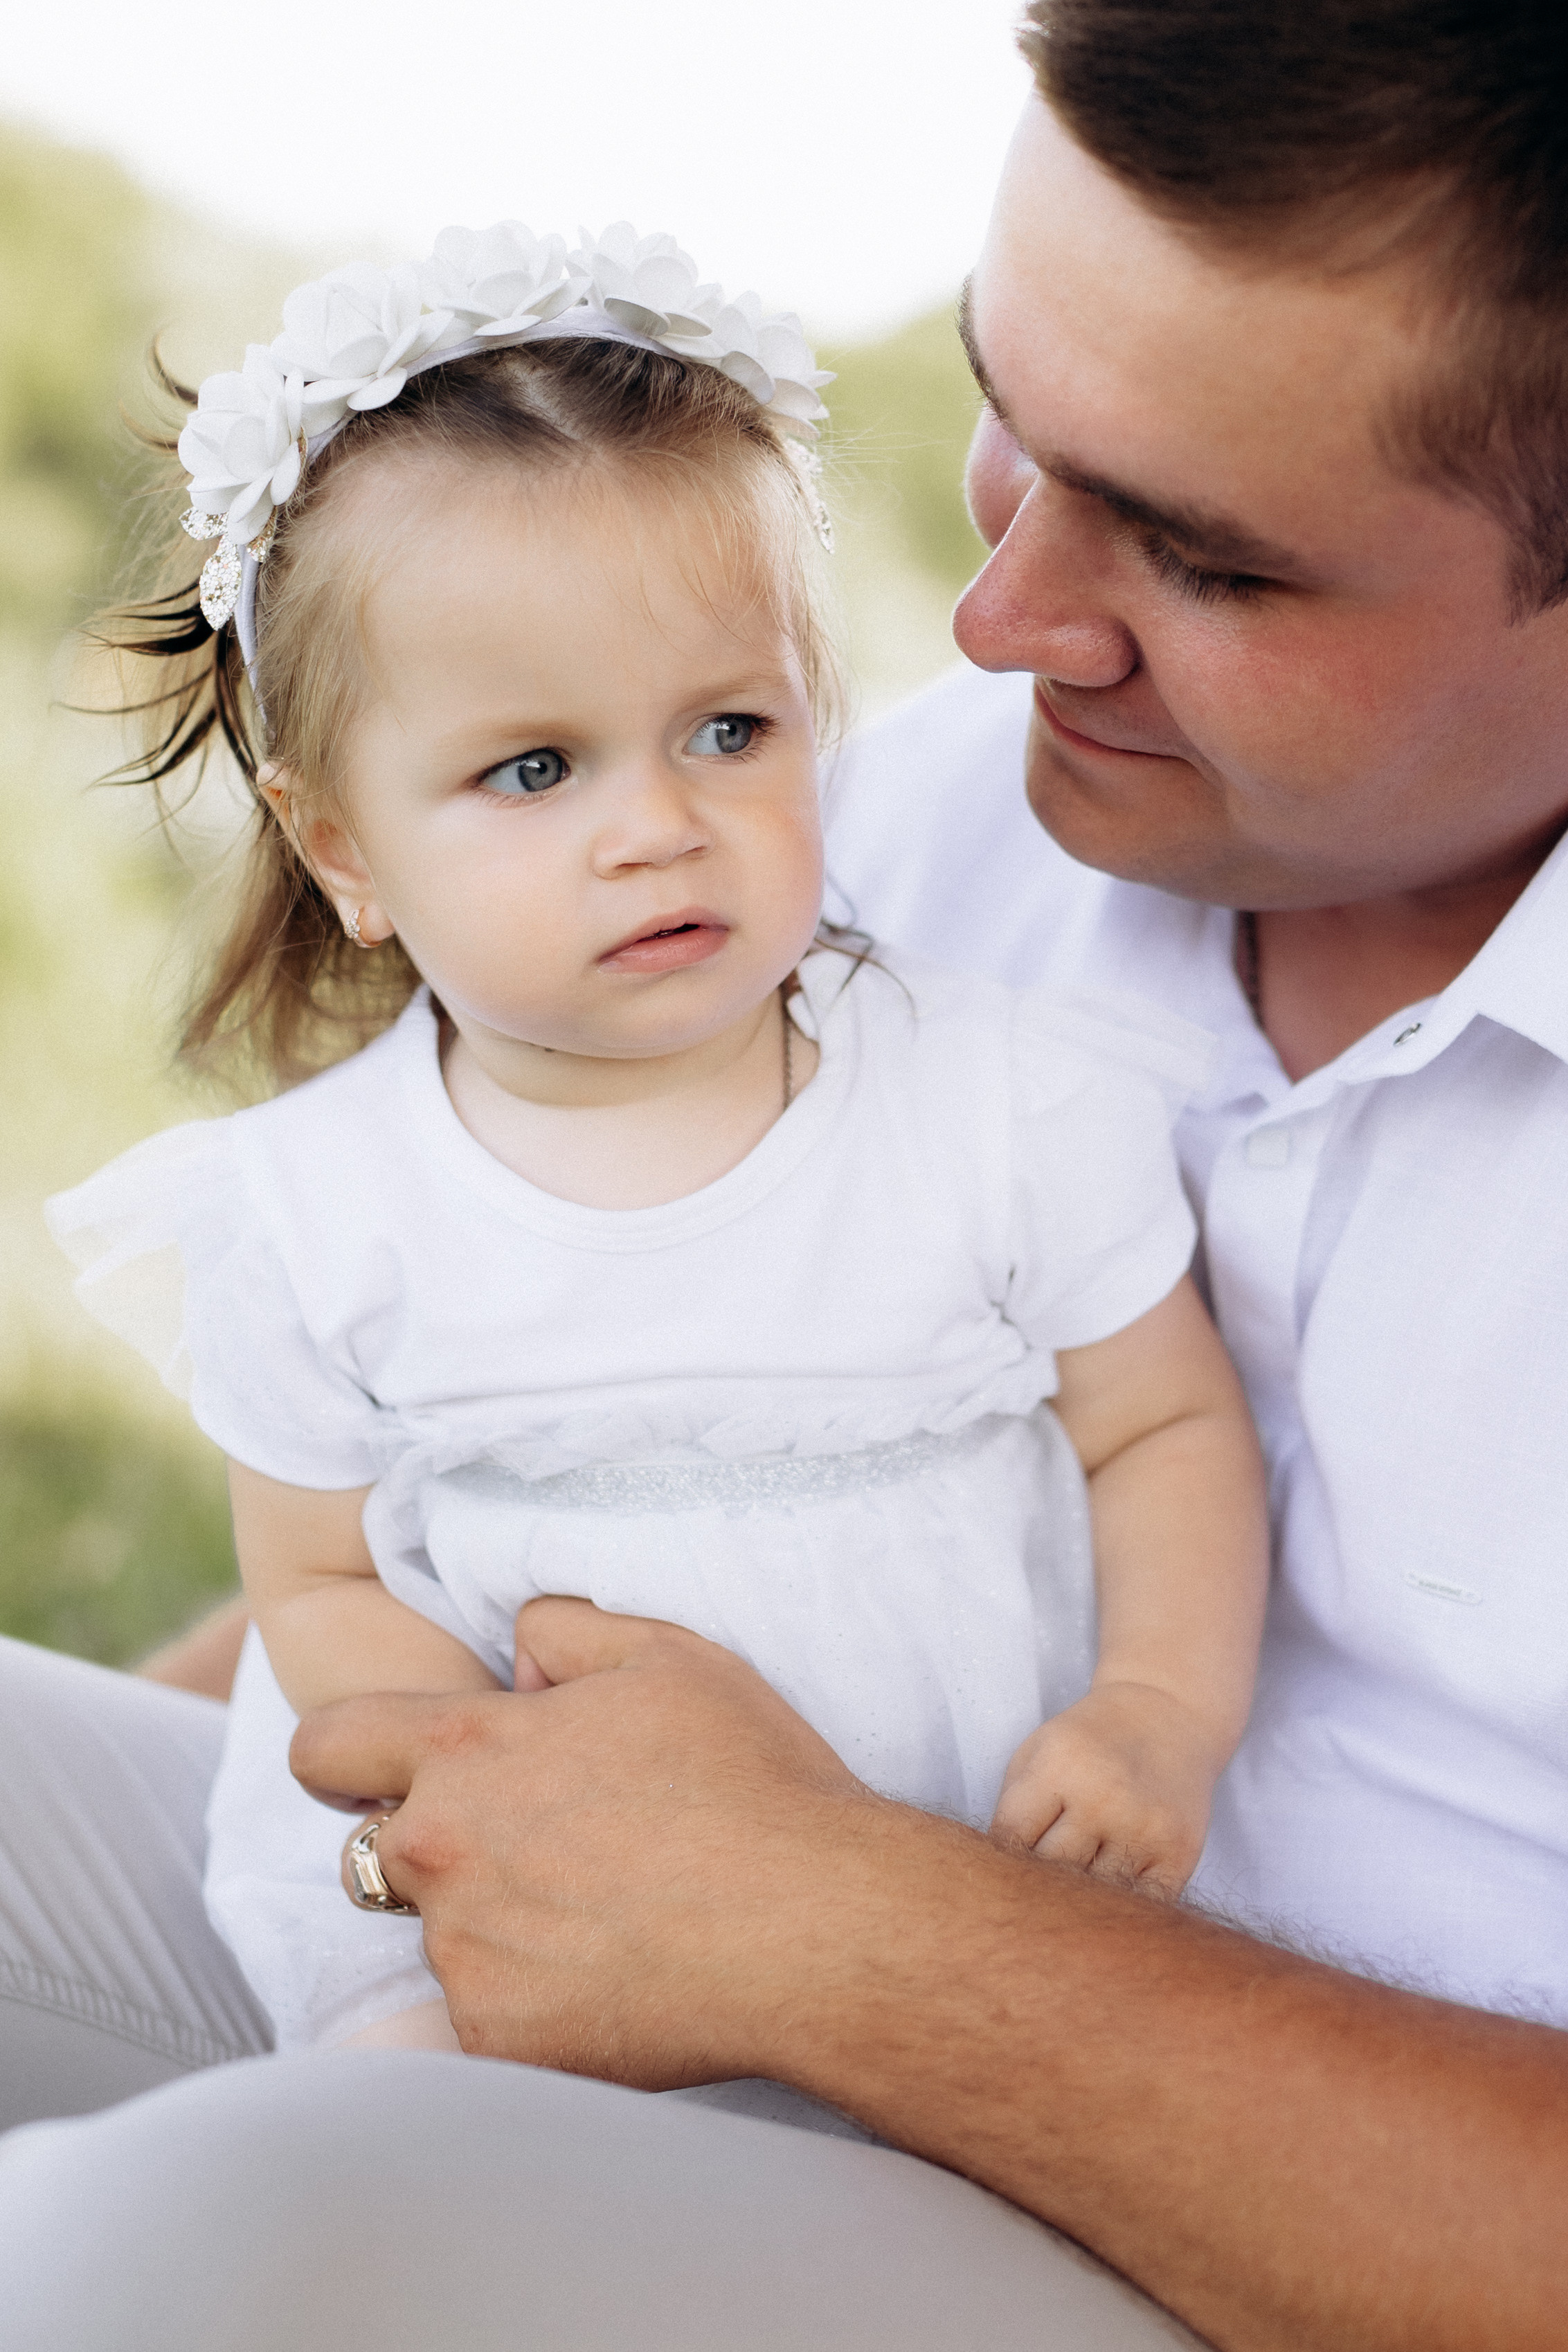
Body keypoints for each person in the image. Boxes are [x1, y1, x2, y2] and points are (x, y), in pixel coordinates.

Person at [3, 6, 1567, 2349]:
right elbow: (502, 1421)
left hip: (1265, 2254)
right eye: (1012, 432)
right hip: (591, 1939)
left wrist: (841, 1928)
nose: (992, 625)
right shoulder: (928, 818)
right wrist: (352, 1722)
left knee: (200, 2246)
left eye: (1214, 567)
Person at [46, 219, 1265, 2058]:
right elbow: (317, 1572)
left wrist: (1154, 1711)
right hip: (476, 1893)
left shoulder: (992, 1106)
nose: (657, 826)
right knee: (367, 2163)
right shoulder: (317, 1213)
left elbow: (1161, 1421)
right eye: (534, 770)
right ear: (343, 851)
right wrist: (473, 1788)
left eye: (725, 727)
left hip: (937, 1892)